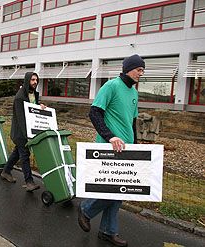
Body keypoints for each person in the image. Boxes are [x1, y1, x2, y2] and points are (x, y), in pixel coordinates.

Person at [77, 54, 145, 247]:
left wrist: (136, 146)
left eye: (142, 70)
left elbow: (131, 122)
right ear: (128, 69)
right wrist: (110, 136)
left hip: (126, 149)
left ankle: (108, 231)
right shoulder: (111, 86)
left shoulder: (134, 92)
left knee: (119, 191)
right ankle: (86, 209)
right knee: (113, 190)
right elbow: (94, 113)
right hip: (109, 147)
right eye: (139, 69)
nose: (141, 73)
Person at [0, 72, 45, 192]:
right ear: (27, 81)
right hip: (21, 132)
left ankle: (5, 171)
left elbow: (33, 109)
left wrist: (40, 106)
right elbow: (21, 119)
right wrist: (28, 136)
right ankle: (29, 181)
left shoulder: (33, 94)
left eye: (36, 80)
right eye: (32, 80)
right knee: (25, 155)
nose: (35, 82)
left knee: (17, 153)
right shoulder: (20, 97)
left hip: (28, 130)